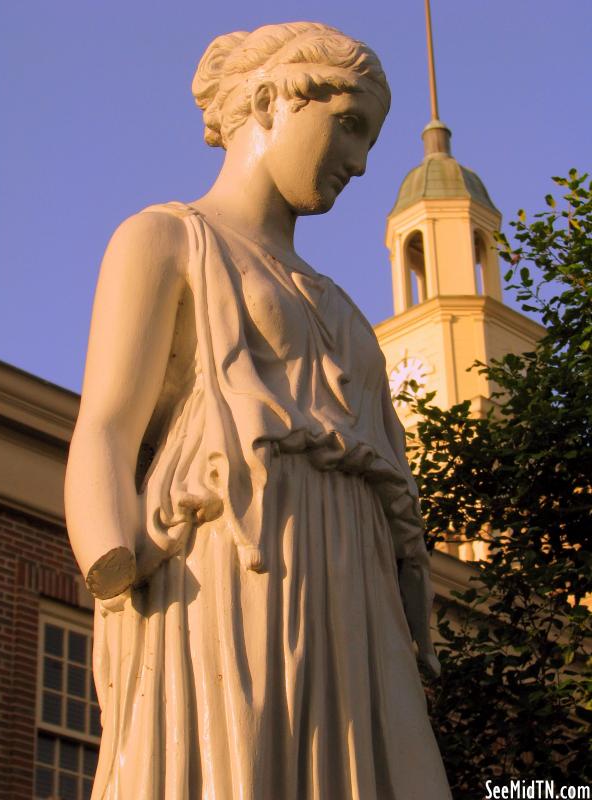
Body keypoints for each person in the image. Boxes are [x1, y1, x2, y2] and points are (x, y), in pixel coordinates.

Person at [65, 21, 452, 799]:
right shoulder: (166, 240)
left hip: (358, 594)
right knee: (236, 766)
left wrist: (415, 619)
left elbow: (396, 494)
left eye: (368, 138)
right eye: (348, 126)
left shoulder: (345, 311)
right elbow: (107, 426)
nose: (361, 162)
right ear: (272, 99)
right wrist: (110, 564)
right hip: (229, 571)